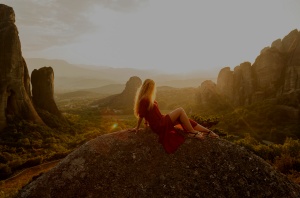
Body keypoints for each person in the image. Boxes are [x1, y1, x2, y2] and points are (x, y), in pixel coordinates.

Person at [131, 79, 218, 153]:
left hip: (161, 120)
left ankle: (208, 132)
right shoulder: (144, 99)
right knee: (180, 110)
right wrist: (137, 127)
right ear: (150, 87)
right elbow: (141, 115)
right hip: (159, 124)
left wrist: (146, 124)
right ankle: (192, 132)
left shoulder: (147, 98)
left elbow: (147, 113)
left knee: (186, 120)